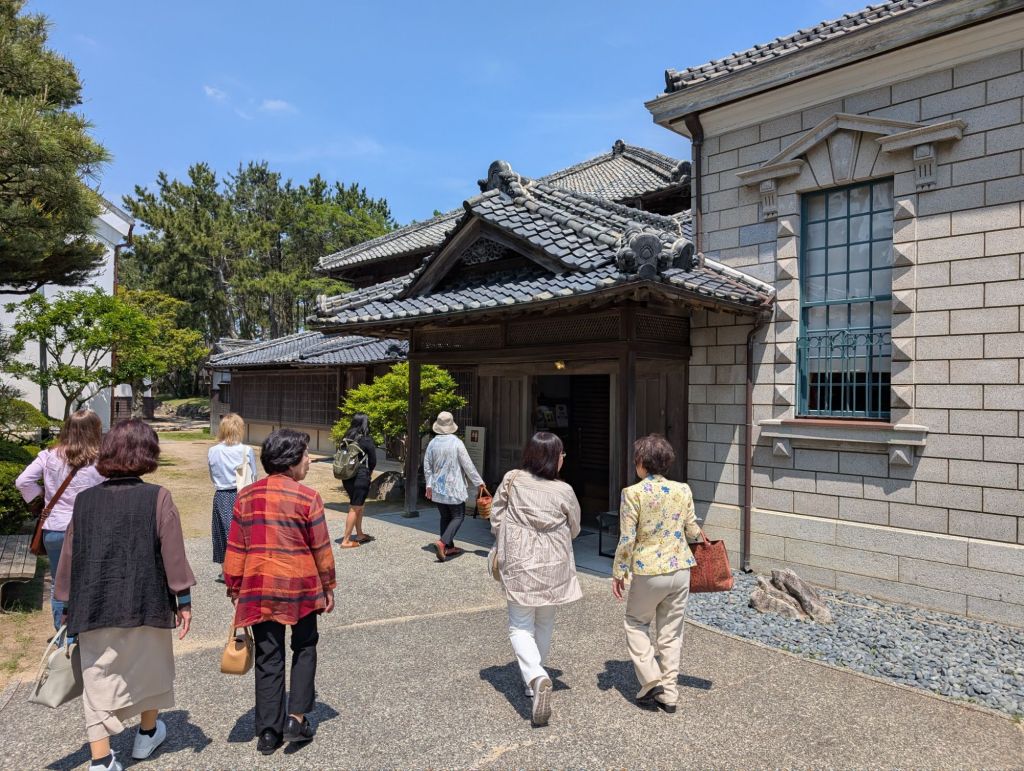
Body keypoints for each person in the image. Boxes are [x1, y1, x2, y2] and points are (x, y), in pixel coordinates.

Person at [54, 419, 195, 771]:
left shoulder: (84, 501)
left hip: (94, 602)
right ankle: (146, 734)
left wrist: (66, 603)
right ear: (148, 454)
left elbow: (70, 556)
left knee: (97, 679)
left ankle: (101, 760)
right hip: (147, 599)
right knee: (152, 668)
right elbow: (173, 553)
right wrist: (183, 600)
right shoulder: (158, 497)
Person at [224, 429, 336, 755]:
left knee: (268, 655)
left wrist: (234, 586)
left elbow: (236, 547)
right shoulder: (308, 498)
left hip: (259, 585)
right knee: (305, 646)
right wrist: (328, 586)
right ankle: (295, 719)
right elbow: (321, 549)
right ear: (291, 461)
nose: (309, 461)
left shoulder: (246, 497)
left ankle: (268, 732)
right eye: (305, 455)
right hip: (301, 586)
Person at [490, 431, 581, 727]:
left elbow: (496, 516)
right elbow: (575, 526)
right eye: (561, 454)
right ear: (554, 458)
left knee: (520, 625)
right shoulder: (564, 490)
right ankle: (533, 682)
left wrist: (509, 537)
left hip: (520, 561)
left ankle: (536, 677)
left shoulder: (513, 479)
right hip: (554, 563)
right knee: (544, 621)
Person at [611, 434, 702, 715]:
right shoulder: (683, 490)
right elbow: (693, 531)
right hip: (681, 568)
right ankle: (670, 694)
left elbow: (627, 538)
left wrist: (619, 571)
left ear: (641, 462)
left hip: (649, 569)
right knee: (671, 633)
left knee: (635, 622)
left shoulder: (633, 493)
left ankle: (651, 680)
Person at [16, 409, 106, 630]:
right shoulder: (102, 459)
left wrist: (40, 495)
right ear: (95, 430)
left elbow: (22, 481)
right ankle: (86, 633)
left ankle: (63, 636)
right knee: (91, 581)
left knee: (59, 583)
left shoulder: (48, 456)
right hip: (90, 528)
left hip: (55, 528)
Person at [423, 410, 485, 562]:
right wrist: (479, 482)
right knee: (458, 516)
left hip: (437, 487)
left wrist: (429, 484)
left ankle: (449, 547)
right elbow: (468, 465)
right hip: (453, 487)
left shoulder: (432, 443)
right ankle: (442, 542)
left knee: (445, 516)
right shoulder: (456, 442)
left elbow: (427, 466)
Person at [207, 413, 258, 581]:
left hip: (221, 495)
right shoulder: (246, 450)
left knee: (222, 532)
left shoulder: (213, 451)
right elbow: (254, 475)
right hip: (243, 494)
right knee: (244, 532)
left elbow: (212, 475)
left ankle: (225, 571)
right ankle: (244, 569)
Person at [338, 413, 377, 549]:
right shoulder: (366, 439)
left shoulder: (345, 438)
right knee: (355, 507)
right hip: (360, 476)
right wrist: (369, 473)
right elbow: (373, 461)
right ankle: (346, 540)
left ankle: (359, 534)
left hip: (347, 476)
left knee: (358, 505)